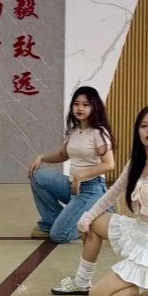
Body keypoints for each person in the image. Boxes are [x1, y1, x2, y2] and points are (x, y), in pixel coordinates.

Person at [52, 105, 148, 296]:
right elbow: (112, 193)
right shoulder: (136, 162)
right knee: (93, 222)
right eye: (144, 126)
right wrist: (88, 217)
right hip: (139, 229)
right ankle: (81, 281)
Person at [28, 86, 115, 243]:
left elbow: (109, 164)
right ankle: (52, 222)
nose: (80, 108)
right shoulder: (73, 130)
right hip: (73, 186)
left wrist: (81, 175)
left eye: (86, 105)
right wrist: (41, 158)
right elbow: (63, 155)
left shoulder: (99, 133)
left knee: (59, 235)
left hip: (92, 189)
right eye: (76, 104)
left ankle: (96, 218)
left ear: (94, 107)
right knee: (37, 176)